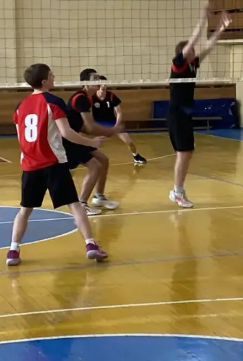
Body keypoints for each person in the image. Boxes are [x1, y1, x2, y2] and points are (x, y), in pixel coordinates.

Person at [8, 63, 118, 267]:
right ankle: (90, 245)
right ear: (44, 81)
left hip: (30, 165)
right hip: (53, 163)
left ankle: (13, 250)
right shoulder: (53, 102)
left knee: (25, 210)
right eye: (51, 75)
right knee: (75, 205)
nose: (54, 77)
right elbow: (66, 132)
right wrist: (91, 142)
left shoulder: (20, 106)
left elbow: (20, 138)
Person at [169, 3, 231, 208]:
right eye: (190, 49)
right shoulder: (178, 64)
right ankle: (177, 192)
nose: (194, 51)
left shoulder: (192, 65)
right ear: (183, 52)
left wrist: (221, 29)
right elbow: (194, 39)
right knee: (183, 153)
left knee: (187, 153)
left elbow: (209, 46)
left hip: (185, 114)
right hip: (177, 114)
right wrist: (203, 17)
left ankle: (178, 190)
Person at [64, 72, 123, 215]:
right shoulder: (80, 98)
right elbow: (90, 127)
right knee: (94, 166)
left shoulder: (87, 98)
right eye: (95, 78)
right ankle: (82, 204)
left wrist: (106, 132)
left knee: (103, 160)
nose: (98, 81)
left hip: (78, 136)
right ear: (85, 82)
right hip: (69, 140)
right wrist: (111, 131)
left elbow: (84, 126)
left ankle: (99, 197)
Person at [89, 73, 147, 165]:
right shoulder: (91, 97)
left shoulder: (111, 96)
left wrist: (116, 126)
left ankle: (136, 156)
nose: (103, 86)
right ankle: (86, 158)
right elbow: (89, 114)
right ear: (97, 85)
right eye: (101, 84)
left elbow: (119, 112)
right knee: (90, 142)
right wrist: (94, 126)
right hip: (98, 123)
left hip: (112, 122)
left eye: (105, 84)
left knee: (128, 141)